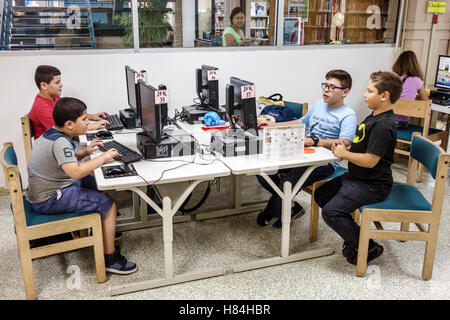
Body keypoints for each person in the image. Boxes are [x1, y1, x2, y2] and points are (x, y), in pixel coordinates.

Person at [26, 97, 137, 274]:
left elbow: (65, 161)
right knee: (108, 205)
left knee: (97, 184)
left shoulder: (53, 133)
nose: (88, 122)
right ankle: (111, 258)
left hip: (46, 191)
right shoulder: (60, 142)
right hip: (49, 199)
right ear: (69, 124)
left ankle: (105, 230)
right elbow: (75, 172)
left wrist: (85, 152)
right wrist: (103, 157)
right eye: (84, 119)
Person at [314, 71, 403, 265]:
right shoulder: (373, 117)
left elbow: (371, 160)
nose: (364, 94)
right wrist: (348, 147)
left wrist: (345, 155)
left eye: (369, 91)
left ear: (384, 96)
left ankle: (368, 246)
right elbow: (362, 143)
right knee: (321, 194)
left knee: (331, 212)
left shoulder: (383, 125)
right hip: (357, 177)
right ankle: (353, 235)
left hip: (373, 185)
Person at [256, 70, 357, 229]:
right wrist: (273, 125)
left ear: (345, 92)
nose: (326, 90)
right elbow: (301, 122)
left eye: (332, 87)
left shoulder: (348, 115)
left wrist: (316, 141)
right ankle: (289, 207)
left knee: (288, 182)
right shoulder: (319, 104)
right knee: (263, 170)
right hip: (303, 153)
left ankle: (274, 210)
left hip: (324, 163)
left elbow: (345, 143)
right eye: (325, 85)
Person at [29, 65, 110, 139]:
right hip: (53, 148)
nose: (61, 85)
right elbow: (63, 129)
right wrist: (92, 126)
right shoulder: (42, 107)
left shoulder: (54, 98)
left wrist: (91, 116)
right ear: (44, 85)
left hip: (62, 141)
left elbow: (70, 115)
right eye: (57, 83)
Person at [392, 50, 428, 129]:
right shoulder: (417, 80)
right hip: (401, 123)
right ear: (415, 65)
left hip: (388, 120)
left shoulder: (394, 78)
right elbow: (426, 101)